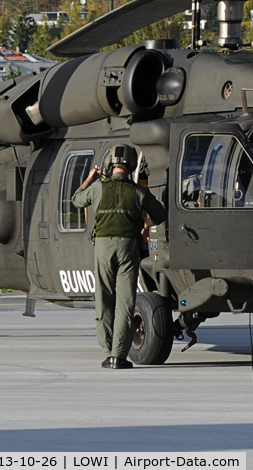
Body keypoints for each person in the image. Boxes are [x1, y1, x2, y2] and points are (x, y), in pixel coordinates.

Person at [71, 143, 166, 370]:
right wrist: (145, 224)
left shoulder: (98, 188)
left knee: (104, 298)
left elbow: (76, 199)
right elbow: (160, 214)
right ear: (132, 165)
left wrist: (90, 178)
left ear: (108, 165)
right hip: (128, 247)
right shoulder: (139, 192)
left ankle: (106, 351)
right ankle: (118, 356)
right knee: (125, 302)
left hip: (103, 247)